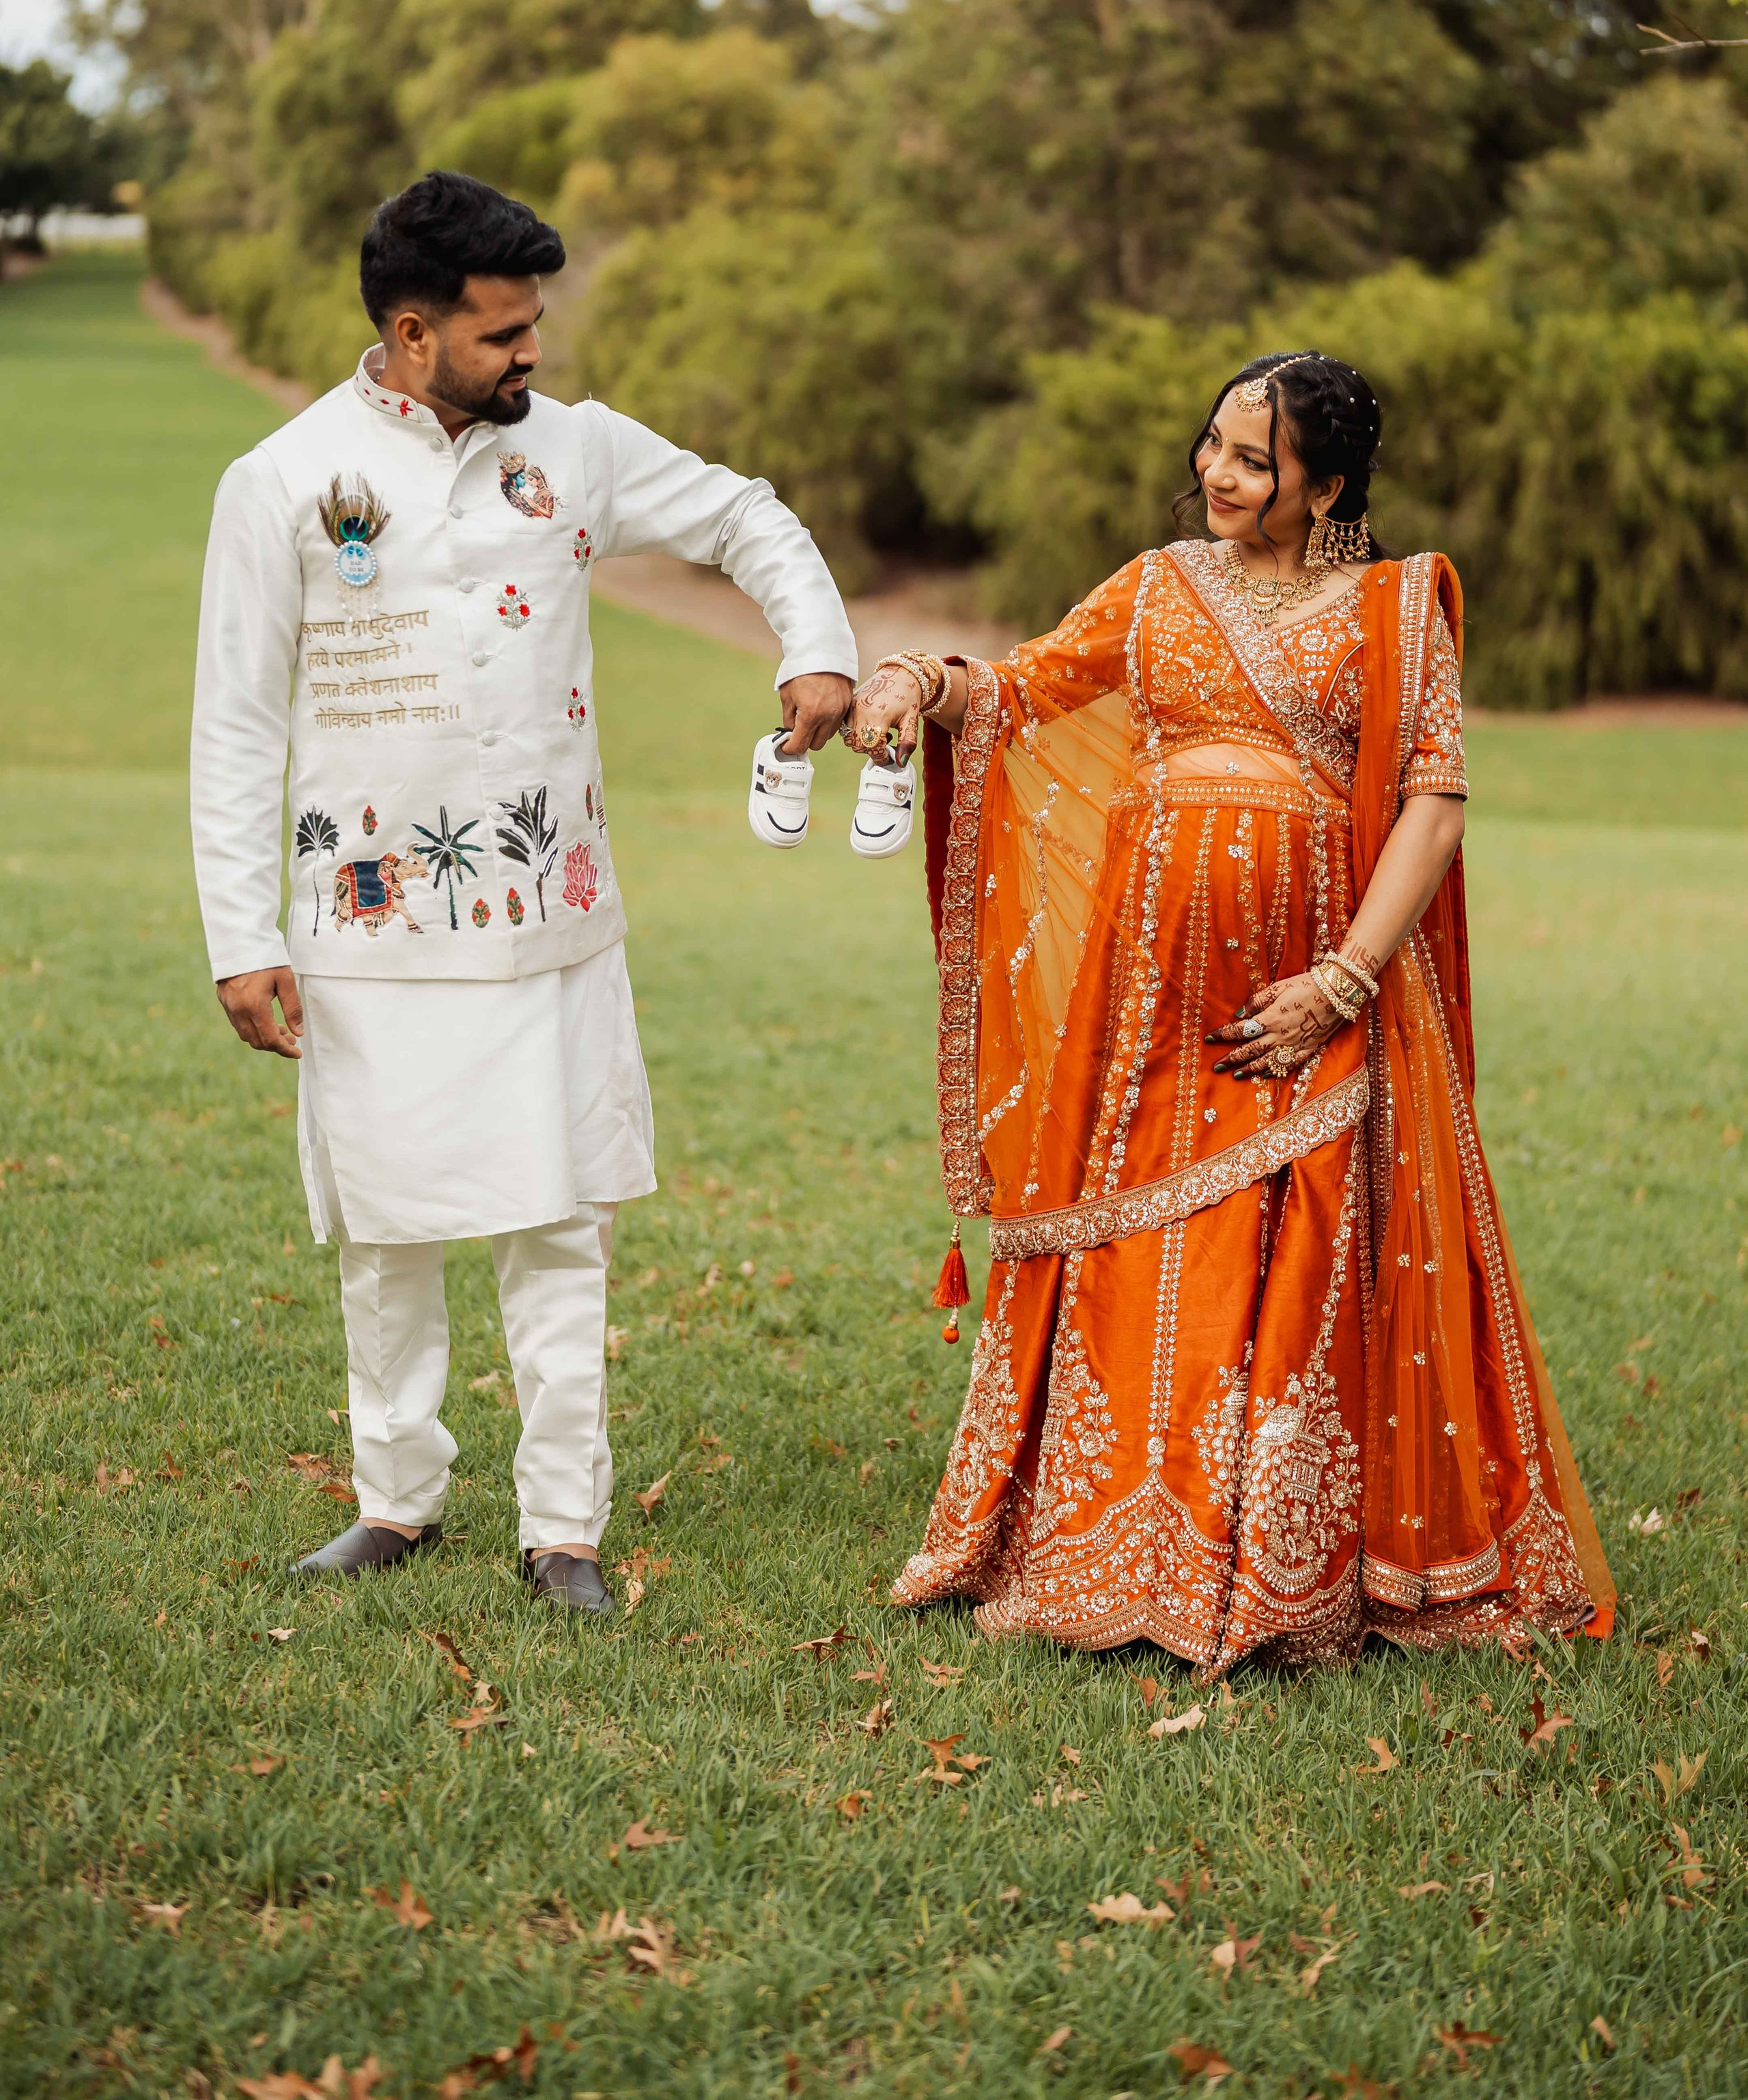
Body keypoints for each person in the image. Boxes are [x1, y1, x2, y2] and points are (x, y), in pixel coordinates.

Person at [844, 352, 1613, 1673]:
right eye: (1212, 444)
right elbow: (1022, 688)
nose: (1215, 472)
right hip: (1144, 1004)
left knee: (1298, 1247)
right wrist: (919, 682)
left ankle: (1274, 1567)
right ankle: (1105, 1544)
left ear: (1325, 486)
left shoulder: (1392, 606)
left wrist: (1343, 981)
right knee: (1136, 1253)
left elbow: (1433, 799)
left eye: (1253, 461)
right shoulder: (1156, 585)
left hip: (1309, 996)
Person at [192, 170, 856, 1616]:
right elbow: (236, 721)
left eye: (535, 326)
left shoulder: (576, 452)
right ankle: (395, 1500)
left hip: (551, 920)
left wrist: (817, 650)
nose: (530, 356)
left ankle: (564, 1532)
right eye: (502, 334)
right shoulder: (286, 481)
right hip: (365, 929)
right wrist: (242, 936)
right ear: (413, 332)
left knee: (562, 1230)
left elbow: (746, 517)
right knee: (388, 1231)